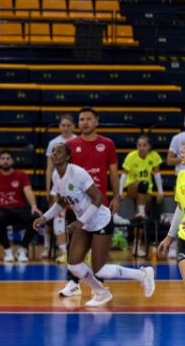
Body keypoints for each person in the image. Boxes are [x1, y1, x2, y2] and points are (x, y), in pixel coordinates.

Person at [34, 144, 155, 307]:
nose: (54, 154)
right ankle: (101, 292)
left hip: (100, 221)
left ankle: (142, 274)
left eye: (59, 152)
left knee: (100, 269)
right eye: (53, 152)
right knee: (74, 265)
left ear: (68, 157)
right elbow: (63, 202)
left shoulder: (77, 173)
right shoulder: (56, 176)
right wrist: (44, 217)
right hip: (84, 223)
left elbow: (98, 199)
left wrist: (80, 222)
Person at [59, 106, 121, 298]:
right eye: (81, 119)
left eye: (88, 119)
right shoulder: (71, 145)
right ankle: (73, 282)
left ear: (96, 121)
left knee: (99, 248)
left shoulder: (107, 144)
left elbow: (113, 172)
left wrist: (116, 197)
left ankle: (99, 285)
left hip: (98, 205)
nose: (84, 122)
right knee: (75, 246)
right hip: (77, 205)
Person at [119, 135, 163, 257]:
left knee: (141, 220)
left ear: (149, 146)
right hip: (131, 187)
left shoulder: (154, 156)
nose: (141, 148)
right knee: (142, 185)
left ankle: (137, 245)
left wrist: (160, 192)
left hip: (146, 191)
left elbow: (157, 175)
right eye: (139, 145)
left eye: (144, 145)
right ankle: (142, 212)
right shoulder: (131, 156)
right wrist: (120, 192)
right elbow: (123, 176)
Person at [43, 113, 77, 262]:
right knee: (58, 215)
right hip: (58, 184)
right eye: (63, 125)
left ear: (73, 126)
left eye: (68, 125)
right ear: (59, 127)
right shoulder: (53, 143)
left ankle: (79, 250)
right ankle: (62, 251)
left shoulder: (77, 141)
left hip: (74, 184)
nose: (66, 128)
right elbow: (49, 167)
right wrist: (48, 188)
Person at [158, 143, 185, 279]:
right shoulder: (181, 176)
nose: (182, 151)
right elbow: (181, 207)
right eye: (182, 148)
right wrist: (169, 237)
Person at [165, 116, 185, 258]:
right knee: (180, 205)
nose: (182, 151)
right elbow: (169, 160)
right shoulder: (178, 138)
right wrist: (170, 236)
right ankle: (173, 241)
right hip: (181, 176)